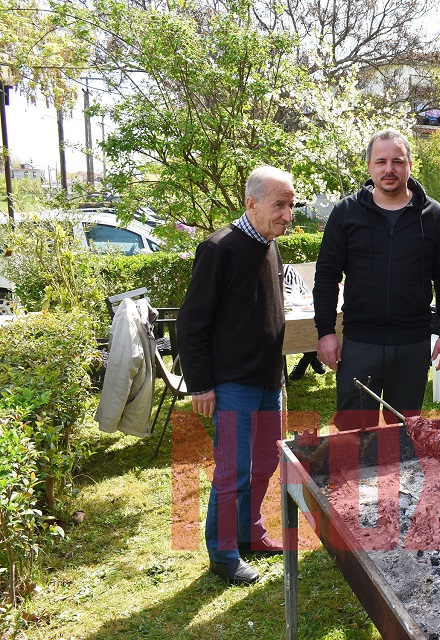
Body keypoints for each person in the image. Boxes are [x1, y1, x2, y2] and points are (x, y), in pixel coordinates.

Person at [177, 165, 294, 585]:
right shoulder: (218, 248)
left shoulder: (270, 245)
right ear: (252, 203)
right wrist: (202, 385)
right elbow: (191, 324)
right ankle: (223, 554)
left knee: (264, 463)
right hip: (231, 385)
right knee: (233, 471)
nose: (287, 214)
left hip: (268, 381)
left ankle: (250, 533)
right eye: (279, 205)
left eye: (291, 205)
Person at [313, 129, 440, 429]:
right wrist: (325, 331)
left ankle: (397, 480)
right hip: (360, 343)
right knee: (354, 433)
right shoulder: (346, 213)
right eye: (381, 161)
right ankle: (353, 478)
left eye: (397, 161)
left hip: (412, 345)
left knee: (404, 433)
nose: (389, 169)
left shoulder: (434, 216)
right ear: (369, 166)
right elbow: (327, 275)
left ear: (409, 165)